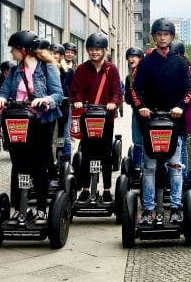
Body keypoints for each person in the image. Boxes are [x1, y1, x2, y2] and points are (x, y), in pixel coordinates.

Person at [0, 30, 64, 225]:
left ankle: (41, 208)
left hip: (41, 122)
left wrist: (44, 99)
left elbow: (58, 94)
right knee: (19, 165)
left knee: (39, 165)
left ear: (24, 50)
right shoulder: (15, 71)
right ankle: (20, 208)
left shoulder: (47, 67)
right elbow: (5, 90)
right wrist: (0, 98)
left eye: (14, 49)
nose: (12, 53)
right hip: (19, 122)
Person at [130, 18, 191, 224]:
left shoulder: (181, 63)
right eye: (158, 34)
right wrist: (141, 107)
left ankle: (176, 208)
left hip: (173, 121)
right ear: (154, 37)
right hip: (150, 121)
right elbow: (133, 89)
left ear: (171, 37)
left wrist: (181, 106)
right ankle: (148, 209)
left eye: (165, 34)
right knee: (149, 167)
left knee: (175, 165)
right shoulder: (145, 63)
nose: (162, 37)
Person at [70, 33, 122, 202]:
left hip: (106, 118)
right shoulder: (82, 69)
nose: (94, 52)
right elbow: (75, 89)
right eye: (91, 49)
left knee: (106, 153)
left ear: (104, 50)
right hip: (87, 117)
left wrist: (113, 102)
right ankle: (85, 189)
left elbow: (117, 91)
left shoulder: (111, 69)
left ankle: (107, 190)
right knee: (86, 153)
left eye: (97, 49)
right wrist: (77, 101)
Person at [170, 40, 191, 177]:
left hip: (184, 114)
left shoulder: (187, 68)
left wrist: (181, 102)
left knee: (181, 148)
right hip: (167, 114)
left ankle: (183, 178)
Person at [123, 47, 145, 171]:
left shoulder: (146, 74)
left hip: (148, 112)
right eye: (129, 57)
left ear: (140, 59)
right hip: (136, 112)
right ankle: (137, 166)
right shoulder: (129, 77)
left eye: (134, 56)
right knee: (137, 140)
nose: (131, 59)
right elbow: (127, 96)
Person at [59, 42, 76, 163]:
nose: (69, 54)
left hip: (67, 104)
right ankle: (56, 156)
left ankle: (67, 162)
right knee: (56, 134)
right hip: (55, 103)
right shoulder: (57, 67)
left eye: (72, 53)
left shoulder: (75, 68)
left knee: (66, 134)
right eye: (67, 52)